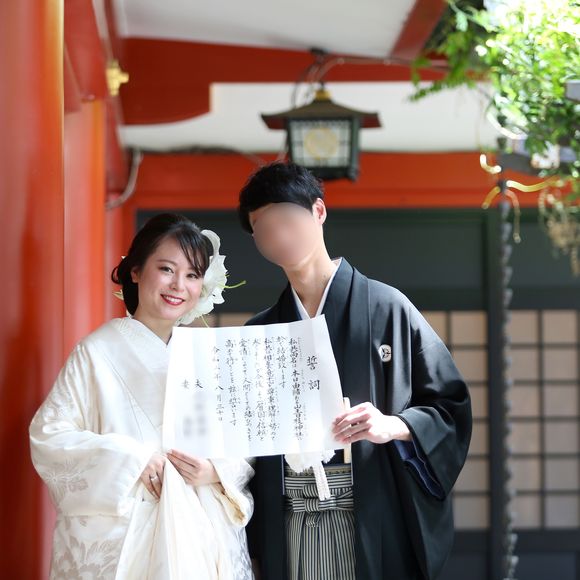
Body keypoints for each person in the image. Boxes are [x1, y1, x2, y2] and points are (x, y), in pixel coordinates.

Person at [238, 162, 472, 580]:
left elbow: (449, 406)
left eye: (287, 219)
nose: (279, 236)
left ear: (319, 211)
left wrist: (394, 425)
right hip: (289, 519)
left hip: (372, 515)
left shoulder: (388, 308)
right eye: (264, 228)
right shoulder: (260, 332)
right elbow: (242, 436)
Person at [30, 213, 255, 579]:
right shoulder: (97, 351)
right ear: (135, 271)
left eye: (192, 275)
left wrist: (214, 470)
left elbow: (240, 443)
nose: (178, 285)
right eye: (166, 269)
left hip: (199, 531)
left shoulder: (206, 358)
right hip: (128, 534)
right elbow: (50, 435)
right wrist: (133, 459)